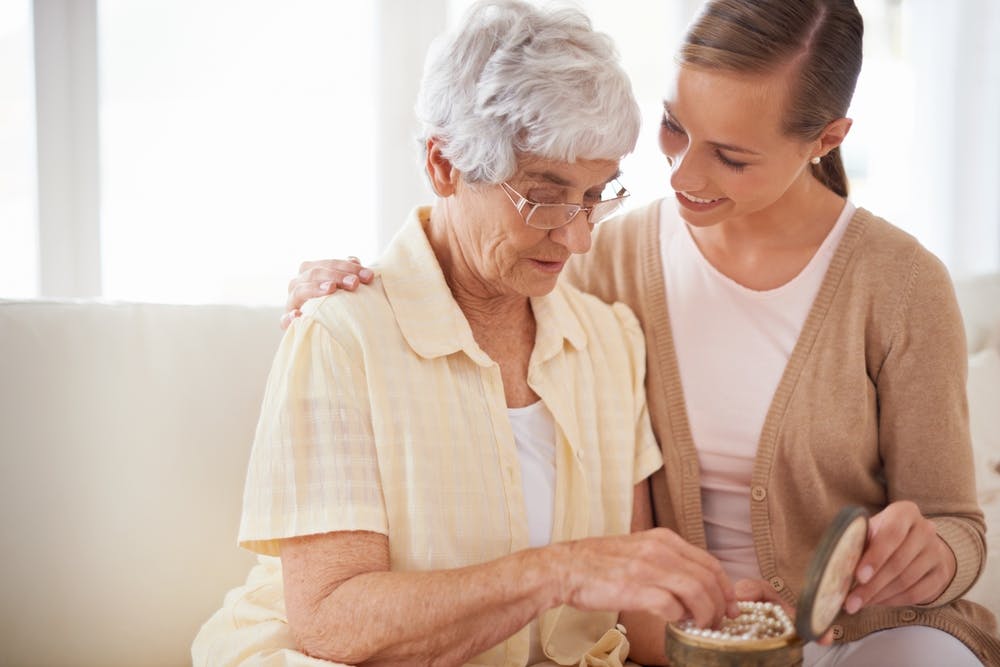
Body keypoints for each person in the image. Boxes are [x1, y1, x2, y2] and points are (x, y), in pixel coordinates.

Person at [283, 0, 1000, 665]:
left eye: (732, 154)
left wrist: (931, 553)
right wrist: (350, 283)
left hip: (869, 633)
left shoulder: (901, 283)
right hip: (699, 635)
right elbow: (478, 234)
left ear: (827, 139)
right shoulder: (605, 259)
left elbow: (957, 525)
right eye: (674, 125)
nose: (683, 172)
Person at [193, 2, 742, 666]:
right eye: (546, 196)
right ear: (444, 164)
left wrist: (736, 628)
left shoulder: (606, 341)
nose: (577, 236)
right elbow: (331, 620)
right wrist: (558, 571)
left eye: (597, 194)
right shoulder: (342, 338)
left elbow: (627, 604)